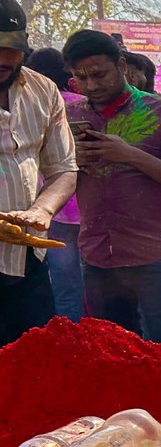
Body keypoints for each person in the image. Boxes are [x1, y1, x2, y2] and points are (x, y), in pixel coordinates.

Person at [61, 28, 161, 348]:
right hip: (98, 255)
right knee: (113, 356)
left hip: (155, 252)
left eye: (99, 74)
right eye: (81, 78)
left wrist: (129, 155)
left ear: (122, 65)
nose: (92, 85)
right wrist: (72, 162)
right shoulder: (68, 118)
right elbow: (52, 179)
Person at [0, 0, 76, 344]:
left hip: (27, 259)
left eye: (11, 50)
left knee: (31, 361)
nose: (3, 60)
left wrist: (42, 210)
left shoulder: (43, 91)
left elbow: (63, 169)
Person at [23, 46, 86, 322]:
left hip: (52, 211)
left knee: (64, 285)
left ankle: (71, 341)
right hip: (88, 207)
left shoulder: (33, 104)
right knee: (96, 283)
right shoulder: (83, 104)